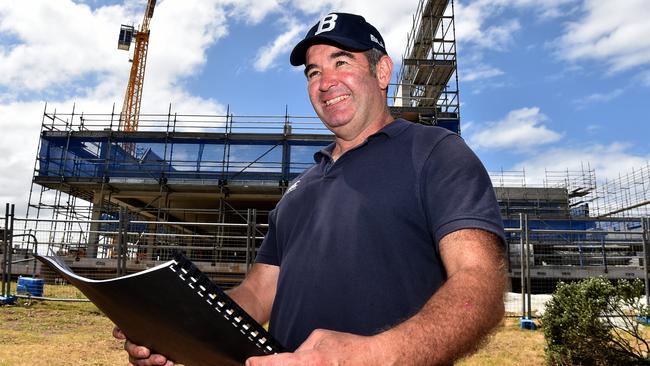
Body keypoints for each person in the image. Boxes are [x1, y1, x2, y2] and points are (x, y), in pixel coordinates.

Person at [114, 12, 507, 366]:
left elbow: (480, 281)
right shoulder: (298, 190)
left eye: (342, 62)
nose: (325, 82)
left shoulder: (434, 153)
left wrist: (374, 355)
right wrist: (179, 328)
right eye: (313, 72)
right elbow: (256, 294)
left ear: (383, 72)